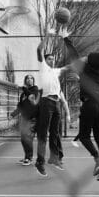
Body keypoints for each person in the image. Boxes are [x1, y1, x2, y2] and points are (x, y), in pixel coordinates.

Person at [62, 34, 99, 181]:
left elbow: (74, 55)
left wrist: (66, 40)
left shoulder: (85, 70)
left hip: (89, 104)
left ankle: (98, 159)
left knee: (84, 136)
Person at [34, 30, 71, 176]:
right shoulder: (42, 67)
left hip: (56, 104)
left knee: (55, 133)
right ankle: (39, 163)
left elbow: (69, 67)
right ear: (45, 60)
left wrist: (66, 39)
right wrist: (48, 36)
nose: (52, 60)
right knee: (43, 134)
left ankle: (54, 158)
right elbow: (39, 49)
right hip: (46, 102)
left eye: (53, 59)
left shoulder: (56, 71)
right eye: (50, 58)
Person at [10, 74, 40, 166]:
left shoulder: (35, 89)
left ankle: (29, 158)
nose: (29, 80)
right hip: (24, 118)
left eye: (31, 78)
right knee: (23, 139)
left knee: (28, 138)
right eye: (27, 78)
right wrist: (13, 114)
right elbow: (20, 106)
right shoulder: (23, 94)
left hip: (33, 119)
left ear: (33, 81)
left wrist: (23, 88)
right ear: (25, 80)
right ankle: (26, 156)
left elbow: (32, 97)